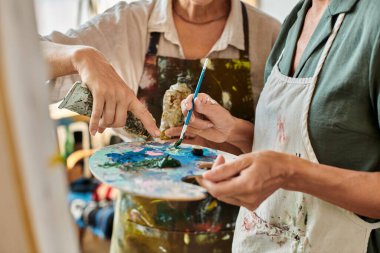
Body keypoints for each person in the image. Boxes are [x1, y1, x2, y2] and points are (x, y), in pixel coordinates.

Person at [41, 0, 280, 252]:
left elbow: (291, 153)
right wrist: (81, 56)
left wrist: (230, 139)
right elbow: (17, 53)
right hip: (140, 233)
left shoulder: (269, 34)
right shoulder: (129, 23)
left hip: (235, 237)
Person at [173, 0, 380, 252]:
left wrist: (289, 173)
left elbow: (291, 164)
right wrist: (234, 132)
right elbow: (300, 145)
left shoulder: (373, 18)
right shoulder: (299, 16)